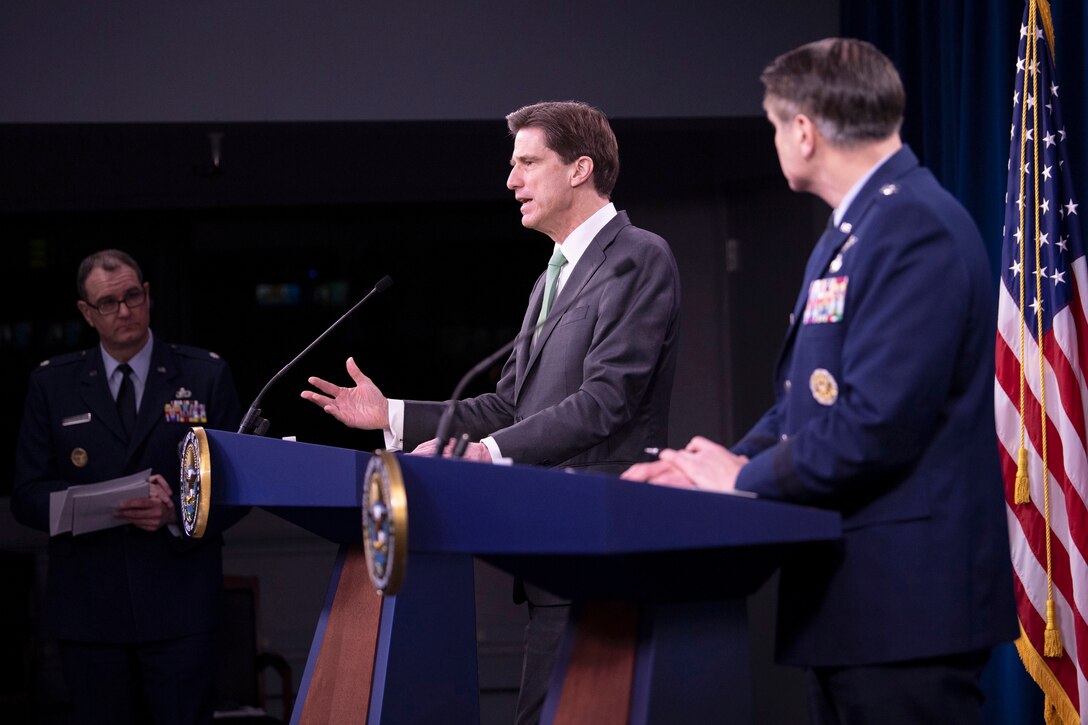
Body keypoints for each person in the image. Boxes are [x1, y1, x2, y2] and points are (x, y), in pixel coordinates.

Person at [624, 39, 1017, 724]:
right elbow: (807, 401)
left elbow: (874, 425)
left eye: (776, 125)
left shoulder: (913, 228)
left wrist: (742, 482)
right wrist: (715, 464)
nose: (776, 140)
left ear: (803, 131)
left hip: (906, 615)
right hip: (855, 608)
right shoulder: (857, 229)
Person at [302, 100, 682, 723]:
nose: (511, 181)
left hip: (599, 548)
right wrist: (390, 416)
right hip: (549, 551)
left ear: (581, 169)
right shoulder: (550, 277)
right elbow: (506, 404)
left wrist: (491, 453)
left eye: (528, 163)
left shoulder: (638, 257)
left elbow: (607, 401)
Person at [12, 249, 244, 725]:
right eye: (108, 302)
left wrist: (178, 513)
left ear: (148, 296)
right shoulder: (52, 384)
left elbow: (239, 483)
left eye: (133, 296)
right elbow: (26, 494)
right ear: (86, 312)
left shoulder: (203, 374)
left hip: (180, 607)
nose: (124, 311)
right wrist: (84, 506)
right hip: (90, 608)